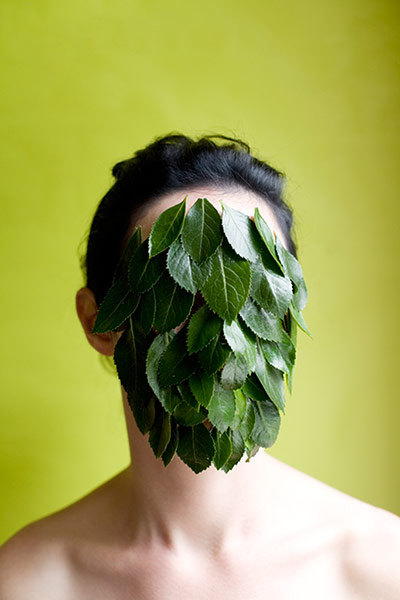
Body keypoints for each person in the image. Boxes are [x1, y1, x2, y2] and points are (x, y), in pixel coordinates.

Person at [0, 134, 399, 599]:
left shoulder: (381, 566)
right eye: (174, 291)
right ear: (100, 323)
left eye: (253, 296)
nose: (221, 335)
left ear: (287, 312)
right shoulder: (26, 580)